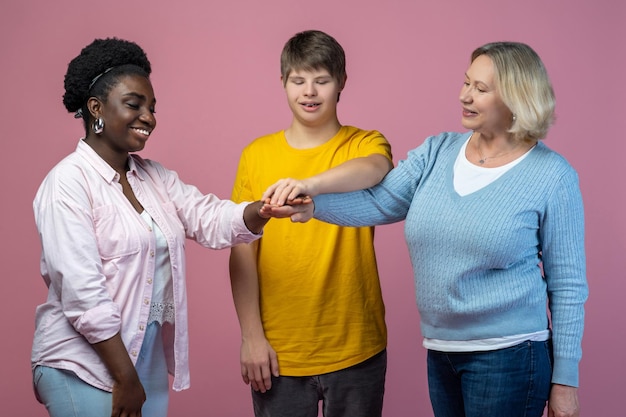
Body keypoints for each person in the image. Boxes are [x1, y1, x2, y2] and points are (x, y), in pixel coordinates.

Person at [263, 42, 588, 417]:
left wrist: (565, 380)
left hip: (510, 355)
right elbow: (379, 202)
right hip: (442, 351)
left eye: (481, 89)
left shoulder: (552, 175)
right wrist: (311, 204)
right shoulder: (437, 151)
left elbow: (568, 285)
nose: (464, 96)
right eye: (466, 83)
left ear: (518, 97)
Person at [31, 38, 271, 417]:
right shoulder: (68, 184)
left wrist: (266, 208)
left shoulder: (153, 177)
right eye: (134, 104)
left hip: (146, 360)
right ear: (96, 108)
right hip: (85, 365)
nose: (149, 117)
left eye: (152, 108)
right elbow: (82, 293)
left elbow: (209, 218)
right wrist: (125, 378)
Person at [229, 30, 393, 417]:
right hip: (279, 350)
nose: (310, 92)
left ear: (341, 84)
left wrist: (310, 186)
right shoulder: (257, 155)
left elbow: (376, 168)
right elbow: (241, 250)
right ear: (283, 83)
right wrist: (251, 337)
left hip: (357, 345)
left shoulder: (364, 143)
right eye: (298, 80)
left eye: (322, 80)